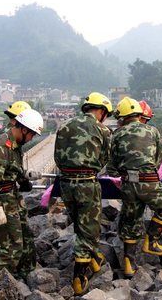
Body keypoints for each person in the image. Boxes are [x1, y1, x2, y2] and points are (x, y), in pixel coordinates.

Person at [107, 97, 162, 278]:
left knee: (130, 222)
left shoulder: (117, 135)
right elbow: (159, 159)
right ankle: (152, 240)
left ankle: (129, 266)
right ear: (139, 114)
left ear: (122, 117)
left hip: (128, 184)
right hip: (150, 182)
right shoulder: (152, 131)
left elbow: (112, 166)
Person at [54, 92, 112, 296]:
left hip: (65, 183)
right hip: (87, 183)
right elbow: (105, 158)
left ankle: (94, 259)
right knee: (90, 228)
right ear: (102, 111)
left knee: (79, 224)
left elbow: (57, 158)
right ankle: (79, 278)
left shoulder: (64, 125)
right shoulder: (102, 129)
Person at [0, 108, 43, 279]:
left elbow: (13, 170)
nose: (32, 139)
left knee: (25, 237)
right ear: (24, 129)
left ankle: (22, 276)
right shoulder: (2, 146)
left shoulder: (15, 145)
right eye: (32, 135)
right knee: (11, 248)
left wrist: (25, 178)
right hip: (1, 199)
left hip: (12, 195)